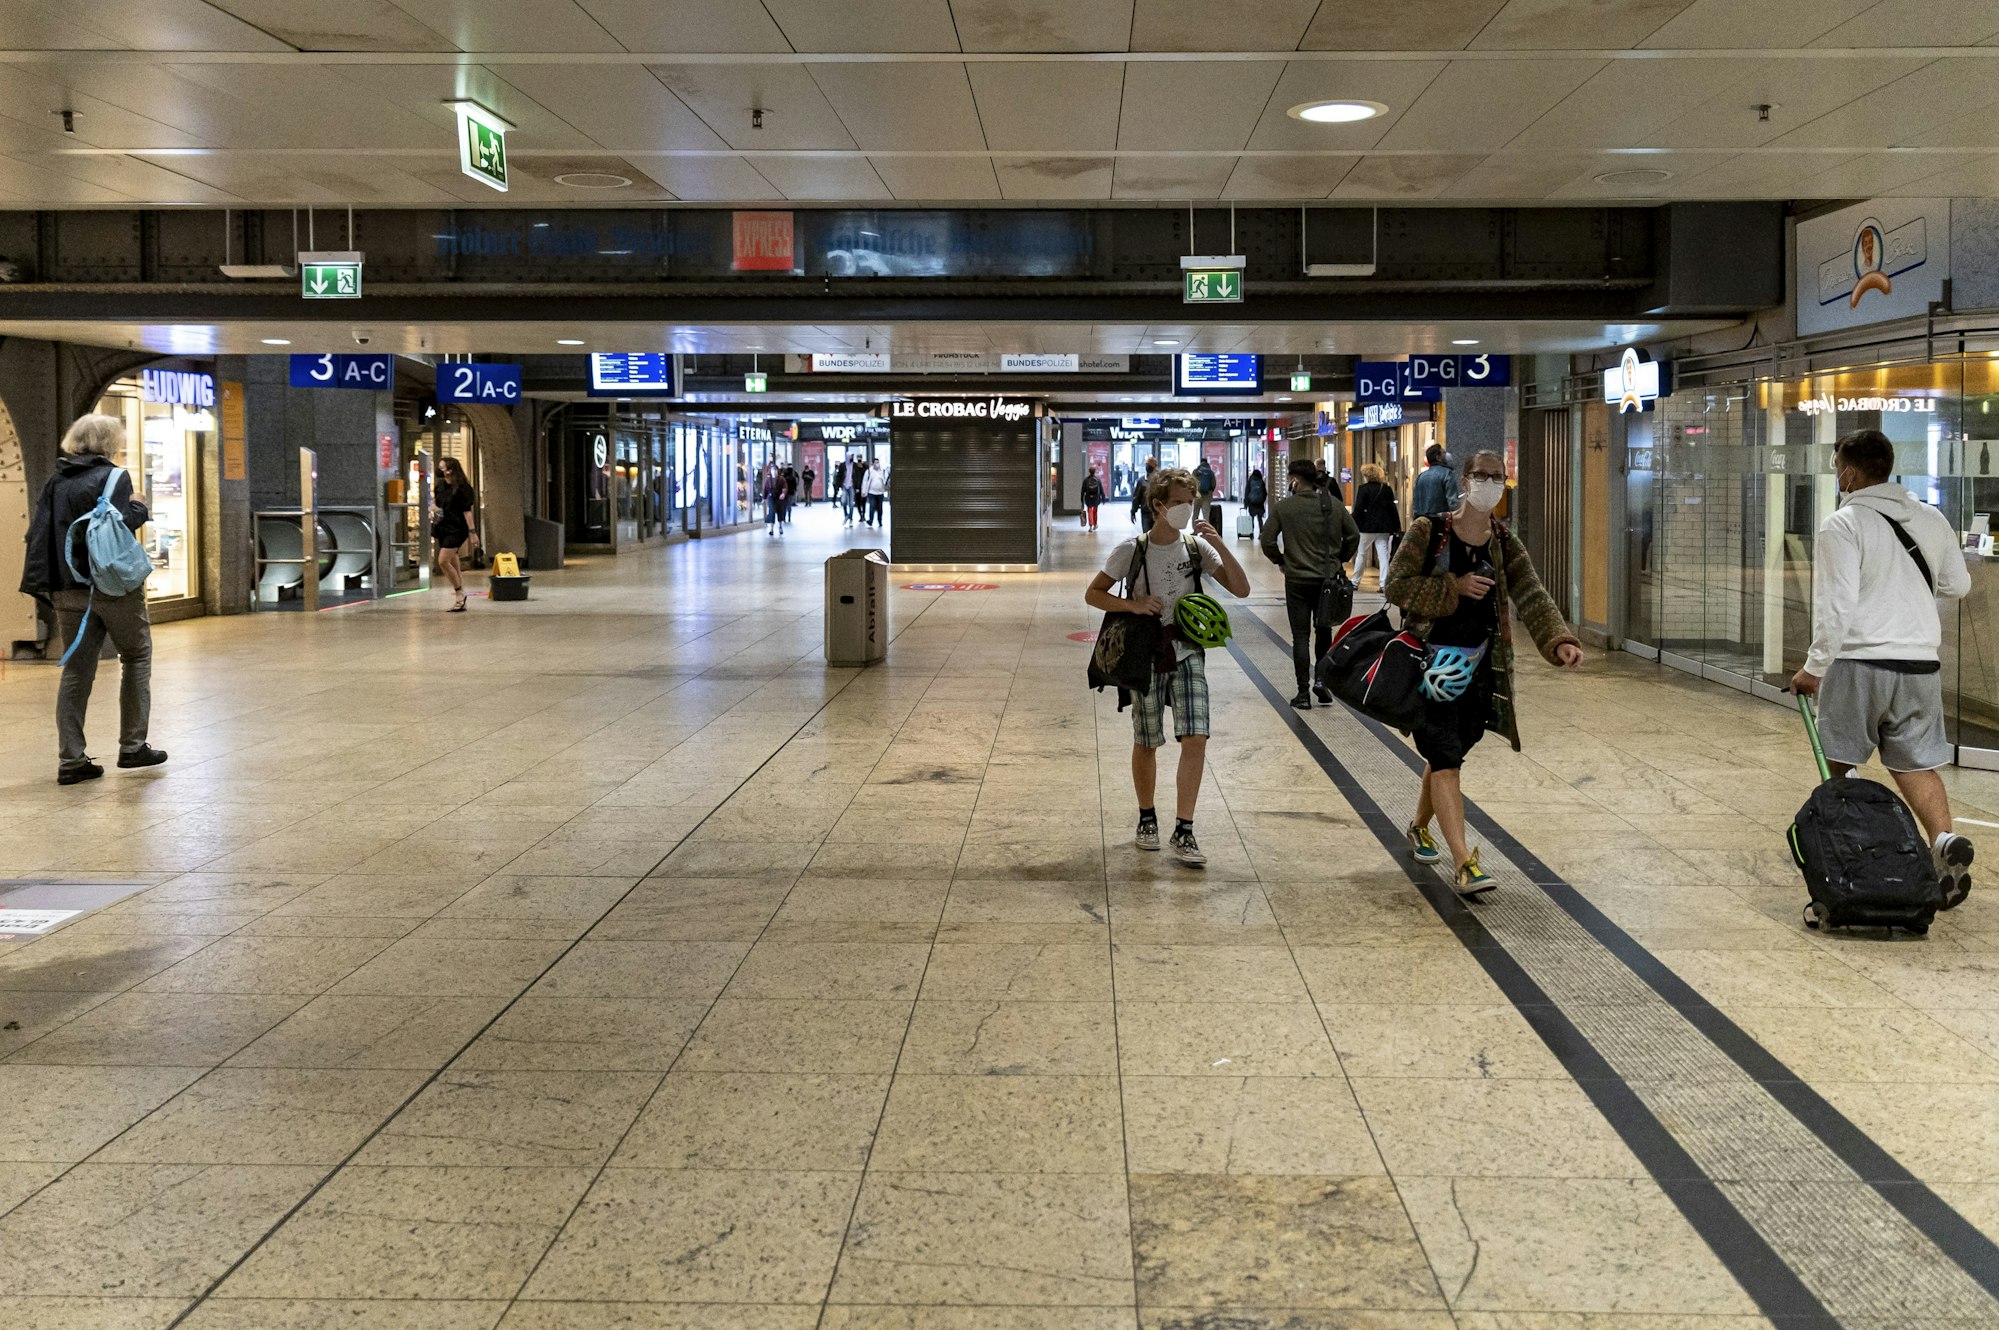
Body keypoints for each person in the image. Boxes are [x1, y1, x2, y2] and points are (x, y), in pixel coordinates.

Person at [1791, 428, 1976, 907]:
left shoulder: (1843, 523)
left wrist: (1814, 667)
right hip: (1919, 663)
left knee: (1840, 760)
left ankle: (1853, 850)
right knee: (1916, 763)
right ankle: (1942, 844)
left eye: (1837, 469)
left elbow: (1836, 605)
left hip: (1860, 661)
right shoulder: (1931, 518)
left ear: (1849, 471)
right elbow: (1958, 585)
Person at [1386, 450, 1582, 897]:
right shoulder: (1428, 531)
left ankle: (1419, 827)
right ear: (1464, 480)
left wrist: (1559, 640)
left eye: (1498, 476)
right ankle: (1463, 862)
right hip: (1429, 667)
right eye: (1482, 475)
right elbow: (1395, 584)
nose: (1490, 482)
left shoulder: (1503, 540)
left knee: (1447, 755)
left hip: (1477, 670)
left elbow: (1531, 592)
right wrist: (1451, 587)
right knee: (1446, 755)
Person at [1085, 467, 1251, 866]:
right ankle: (1147, 819)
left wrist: (1221, 545)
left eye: (1188, 502)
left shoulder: (1197, 549)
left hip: (1189, 652)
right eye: (1177, 502)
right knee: (1147, 740)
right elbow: (1094, 594)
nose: (1184, 509)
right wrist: (1134, 605)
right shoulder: (1132, 549)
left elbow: (1241, 588)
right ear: (1158, 505)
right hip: (1147, 655)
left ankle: (1185, 828)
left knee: (1196, 736)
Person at [21, 413, 166, 785]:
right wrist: (139, 506)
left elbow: (39, 534)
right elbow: (118, 527)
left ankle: (71, 760)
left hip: (68, 589)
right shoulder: (115, 476)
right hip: (112, 587)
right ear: (108, 443)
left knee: (76, 670)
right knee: (135, 656)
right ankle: (133, 747)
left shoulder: (55, 481)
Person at [1262, 458, 1359, 710]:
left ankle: (1302, 693)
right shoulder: (1333, 505)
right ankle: (1322, 682)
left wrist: (1281, 560)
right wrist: (1339, 559)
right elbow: (1353, 535)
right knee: (1324, 631)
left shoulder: (1284, 507)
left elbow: (1267, 540)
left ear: (1294, 479)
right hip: (1327, 580)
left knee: (1300, 636)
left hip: (1297, 580)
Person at [431, 456, 478, 612]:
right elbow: (436, 502)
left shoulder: (463, 488)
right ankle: (461, 591)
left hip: (458, 528)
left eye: (441, 467)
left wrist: (472, 533)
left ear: (450, 470)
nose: (439, 469)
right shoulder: (440, 486)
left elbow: (467, 512)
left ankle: (459, 593)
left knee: (443, 560)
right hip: (443, 527)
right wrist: (433, 508)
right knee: (452, 558)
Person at [1351, 462, 1403, 590]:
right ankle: (1383, 584)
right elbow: (1392, 509)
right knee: (1383, 555)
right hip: (1383, 528)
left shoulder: (1363, 489)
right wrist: (1397, 526)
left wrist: (1351, 521)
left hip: (1366, 527)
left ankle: (1355, 582)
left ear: (1367, 476)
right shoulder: (1386, 489)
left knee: (1361, 554)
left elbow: (1359, 509)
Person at [1411, 444, 1460, 522]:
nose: (1447, 455)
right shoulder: (1447, 474)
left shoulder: (1420, 477)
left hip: (1422, 521)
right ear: (1438, 457)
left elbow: (1415, 504)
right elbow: (1453, 503)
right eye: (1444, 453)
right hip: (1440, 522)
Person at [1133, 456, 1158, 532]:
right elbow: (1137, 497)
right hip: (1146, 512)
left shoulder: (1160, 480)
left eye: (1150, 465)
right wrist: (1133, 511)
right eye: (1147, 465)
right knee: (1146, 534)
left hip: (1157, 512)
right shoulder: (1141, 481)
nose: (1148, 467)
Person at [1243, 467, 1268, 539]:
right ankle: (1261, 533)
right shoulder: (1261, 482)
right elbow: (1265, 493)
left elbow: (1247, 493)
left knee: (1251, 519)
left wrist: (1246, 504)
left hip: (1252, 503)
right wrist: (1262, 500)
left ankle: (1251, 533)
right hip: (1260, 504)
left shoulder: (1250, 481)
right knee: (1260, 519)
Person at [1081, 467, 1104, 531]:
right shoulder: (1098, 479)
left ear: (1089, 471)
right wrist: (1103, 497)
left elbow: (1083, 491)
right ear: (1094, 472)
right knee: (1095, 511)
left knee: (1090, 511)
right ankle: (1095, 524)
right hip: (1096, 497)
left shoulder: (1086, 480)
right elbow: (1101, 489)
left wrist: (1082, 499)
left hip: (1088, 497)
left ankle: (1090, 525)